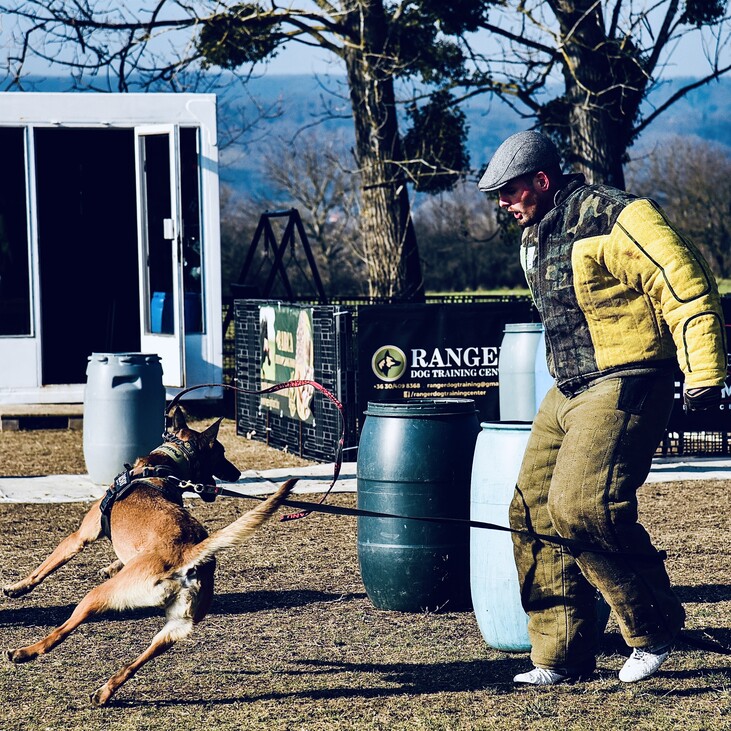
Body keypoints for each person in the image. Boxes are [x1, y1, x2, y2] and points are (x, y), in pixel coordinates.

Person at [478, 130, 727, 685]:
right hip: (566, 387)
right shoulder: (533, 235)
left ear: (541, 181)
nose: (502, 203)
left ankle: (653, 628)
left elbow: (683, 284)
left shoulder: (617, 215)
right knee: (533, 512)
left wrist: (704, 371)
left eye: (510, 191)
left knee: (582, 508)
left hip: (628, 377)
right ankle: (559, 655)